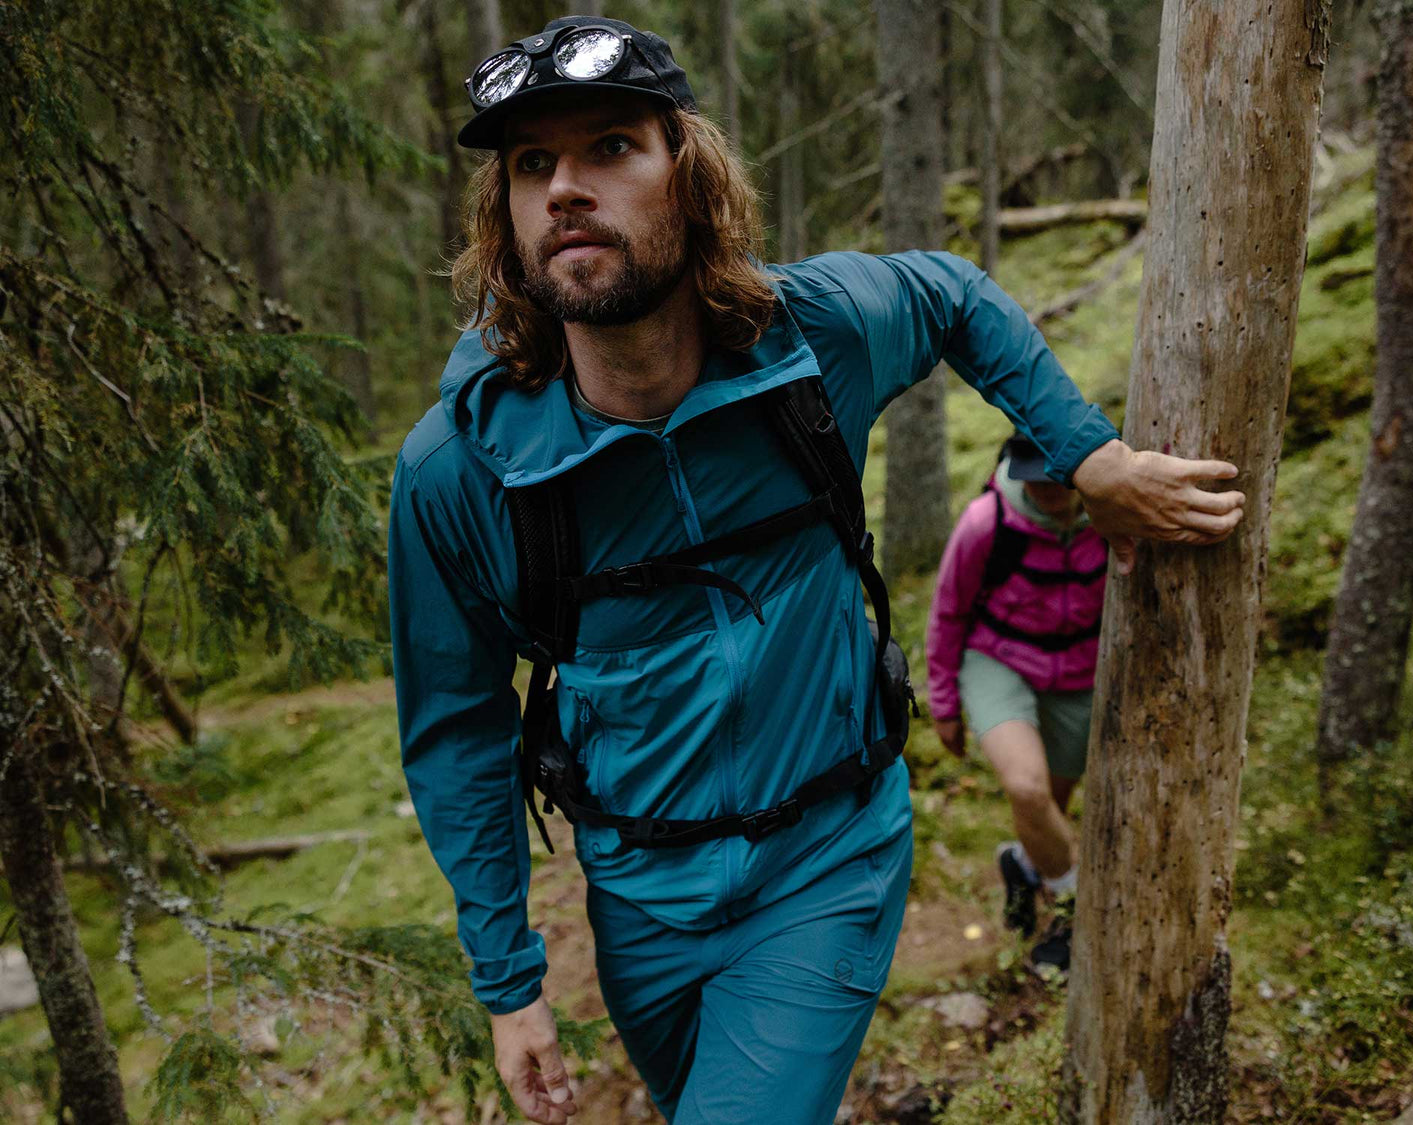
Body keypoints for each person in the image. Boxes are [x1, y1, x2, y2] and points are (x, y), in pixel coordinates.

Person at [387, 15, 1245, 1125]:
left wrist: (1092, 456)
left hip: (826, 859)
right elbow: (456, 728)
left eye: (610, 147)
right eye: (532, 165)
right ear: (504, 217)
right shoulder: (461, 470)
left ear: (688, 179)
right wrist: (510, 986)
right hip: (638, 898)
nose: (565, 188)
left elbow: (951, 294)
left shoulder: (811, 342)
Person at [926, 435, 1106, 975]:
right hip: (997, 660)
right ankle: (1073, 918)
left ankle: (1021, 864)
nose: (1045, 487)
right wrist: (945, 705)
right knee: (1026, 788)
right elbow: (948, 611)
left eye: (1056, 475)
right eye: (1034, 474)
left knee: (1048, 805)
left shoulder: (1111, 512)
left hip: (1079, 669)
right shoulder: (988, 522)